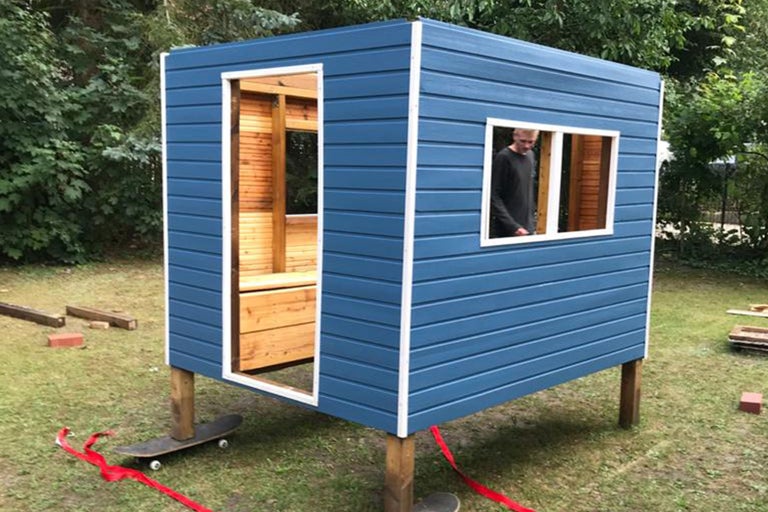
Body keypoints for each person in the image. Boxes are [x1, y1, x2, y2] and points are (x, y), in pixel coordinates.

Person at [489, 128, 539, 238]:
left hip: (528, 227)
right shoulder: (504, 157)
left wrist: (532, 223)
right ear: (514, 137)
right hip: (508, 230)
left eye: (531, 142)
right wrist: (513, 226)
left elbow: (527, 191)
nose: (526, 146)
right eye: (523, 141)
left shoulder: (530, 155)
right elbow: (493, 195)